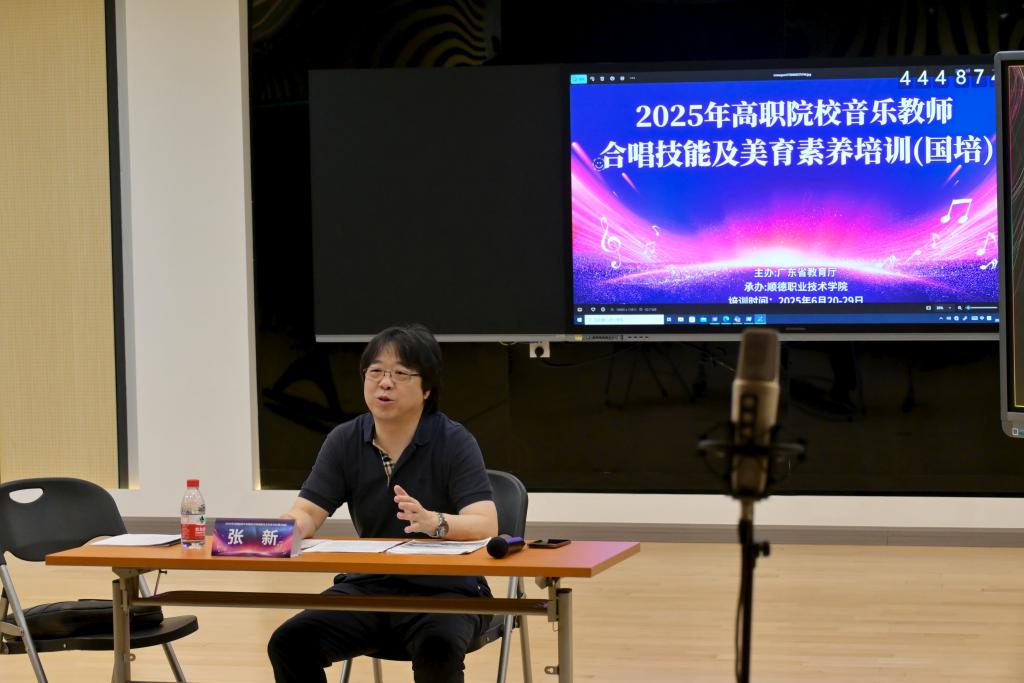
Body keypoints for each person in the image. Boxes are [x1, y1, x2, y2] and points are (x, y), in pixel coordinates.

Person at [267, 324, 498, 683]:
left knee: (437, 647)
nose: (385, 383)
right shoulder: (344, 440)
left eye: (401, 374)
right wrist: (284, 529)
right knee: (290, 643)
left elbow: (486, 523)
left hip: (447, 591)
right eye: (375, 372)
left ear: (427, 389)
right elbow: (308, 511)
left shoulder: (454, 441)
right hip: (370, 587)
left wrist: (435, 522)